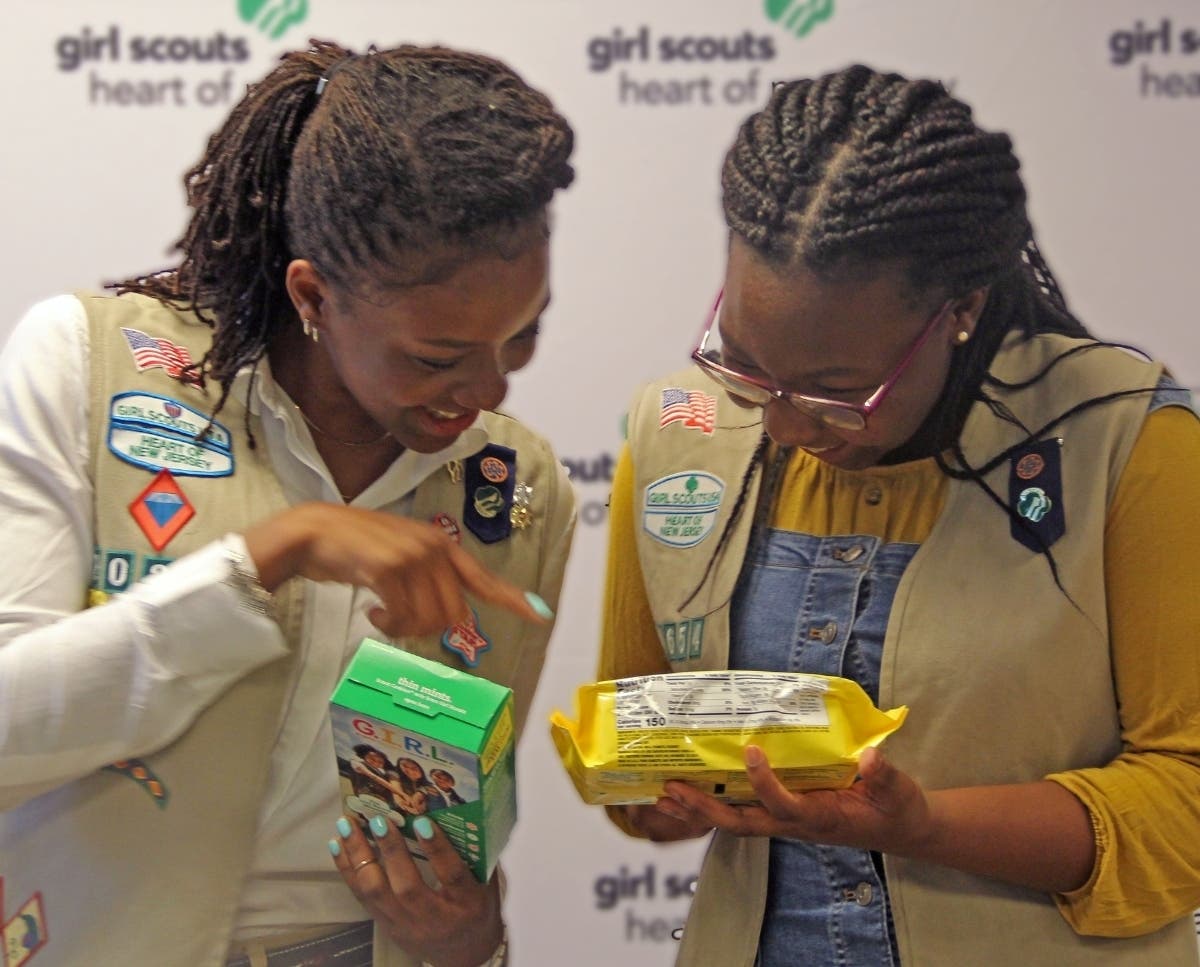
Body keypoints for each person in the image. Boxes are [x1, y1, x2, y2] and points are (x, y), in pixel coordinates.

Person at [596, 64, 1200, 966]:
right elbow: (634, 760)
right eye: (744, 361)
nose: (786, 426)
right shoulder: (680, 436)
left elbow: (1187, 795)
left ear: (961, 309)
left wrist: (926, 826)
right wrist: (661, 793)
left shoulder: (1124, 437)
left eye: (838, 392)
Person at [0, 39, 577, 967]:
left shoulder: (516, 485)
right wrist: (266, 558)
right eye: (436, 356)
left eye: (523, 335)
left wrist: (471, 939)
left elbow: (461, 830)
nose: (489, 391)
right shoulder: (91, 362)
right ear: (313, 294)